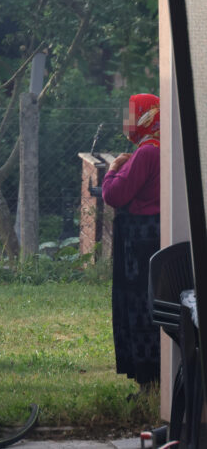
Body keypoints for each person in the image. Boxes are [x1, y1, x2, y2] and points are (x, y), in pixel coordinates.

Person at [102, 93, 161, 390]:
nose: (126, 122)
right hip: (157, 238)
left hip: (139, 242)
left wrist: (112, 170)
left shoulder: (147, 153)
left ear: (145, 116)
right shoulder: (163, 148)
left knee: (139, 307)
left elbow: (114, 195)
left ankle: (148, 382)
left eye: (131, 114)